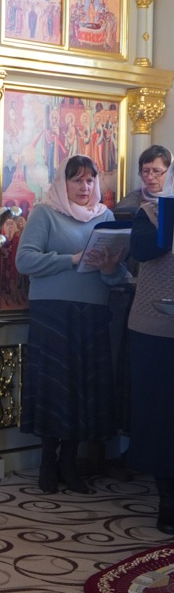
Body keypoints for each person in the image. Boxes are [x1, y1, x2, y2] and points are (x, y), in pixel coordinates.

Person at [16, 155, 128, 494]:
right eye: (77, 180)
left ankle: (69, 462)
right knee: (55, 387)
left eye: (90, 180)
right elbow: (24, 260)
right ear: (63, 183)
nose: (85, 186)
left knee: (84, 390)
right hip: (53, 312)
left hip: (93, 313)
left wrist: (109, 268)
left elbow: (118, 276)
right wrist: (73, 259)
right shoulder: (45, 213)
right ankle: (47, 463)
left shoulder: (106, 217)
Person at [126, 165, 174, 533]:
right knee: (161, 417)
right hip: (155, 331)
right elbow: (146, 250)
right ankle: (167, 503)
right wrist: (170, 210)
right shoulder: (150, 213)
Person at [114, 145, 173, 218]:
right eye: (145, 171)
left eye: (157, 171)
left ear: (171, 173)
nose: (150, 177)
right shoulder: (131, 200)